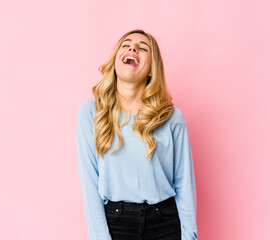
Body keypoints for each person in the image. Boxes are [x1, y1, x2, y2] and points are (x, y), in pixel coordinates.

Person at [77, 29, 197, 240]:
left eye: (143, 48)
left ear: (151, 69)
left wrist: (190, 236)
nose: (133, 48)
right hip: (116, 225)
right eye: (126, 45)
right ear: (115, 61)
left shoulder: (171, 116)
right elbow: (90, 184)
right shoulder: (91, 111)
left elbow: (184, 182)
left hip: (165, 223)